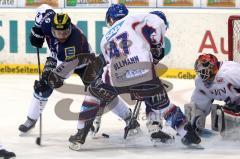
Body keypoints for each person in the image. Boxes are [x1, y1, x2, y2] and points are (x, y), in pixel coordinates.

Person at [66, 4, 201, 150]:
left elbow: (103, 65)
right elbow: (158, 22)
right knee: (161, 103)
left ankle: (80, 134)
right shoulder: (134, 20)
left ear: (109, 19)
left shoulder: (104, 38)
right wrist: (157, 46)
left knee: (94, 93)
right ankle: (188, 134)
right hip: (143, 73)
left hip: (116, 76)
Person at [18, 4, 140, 137]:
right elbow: (42, 8)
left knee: (101, 91)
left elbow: (61, 70)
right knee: (42, 89)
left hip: (85, 61)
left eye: (64, 32)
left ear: (70, 28)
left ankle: (129, 118)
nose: (62, 36)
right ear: (52, 28)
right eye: (58, 33)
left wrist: (48, 78)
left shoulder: (72, 44)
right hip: (60, 59)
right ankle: (31, 119)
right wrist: (36, 30)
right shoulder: (47, 19)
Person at [185, 53, 240, 137]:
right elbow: (197, 104)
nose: (201, 75)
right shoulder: (201, 82)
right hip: (233, 103)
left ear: (212, 68)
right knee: (195, 111)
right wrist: (193, 121)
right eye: (200, 72)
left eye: (203, 72)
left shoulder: (231, 73)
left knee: (231, 111)